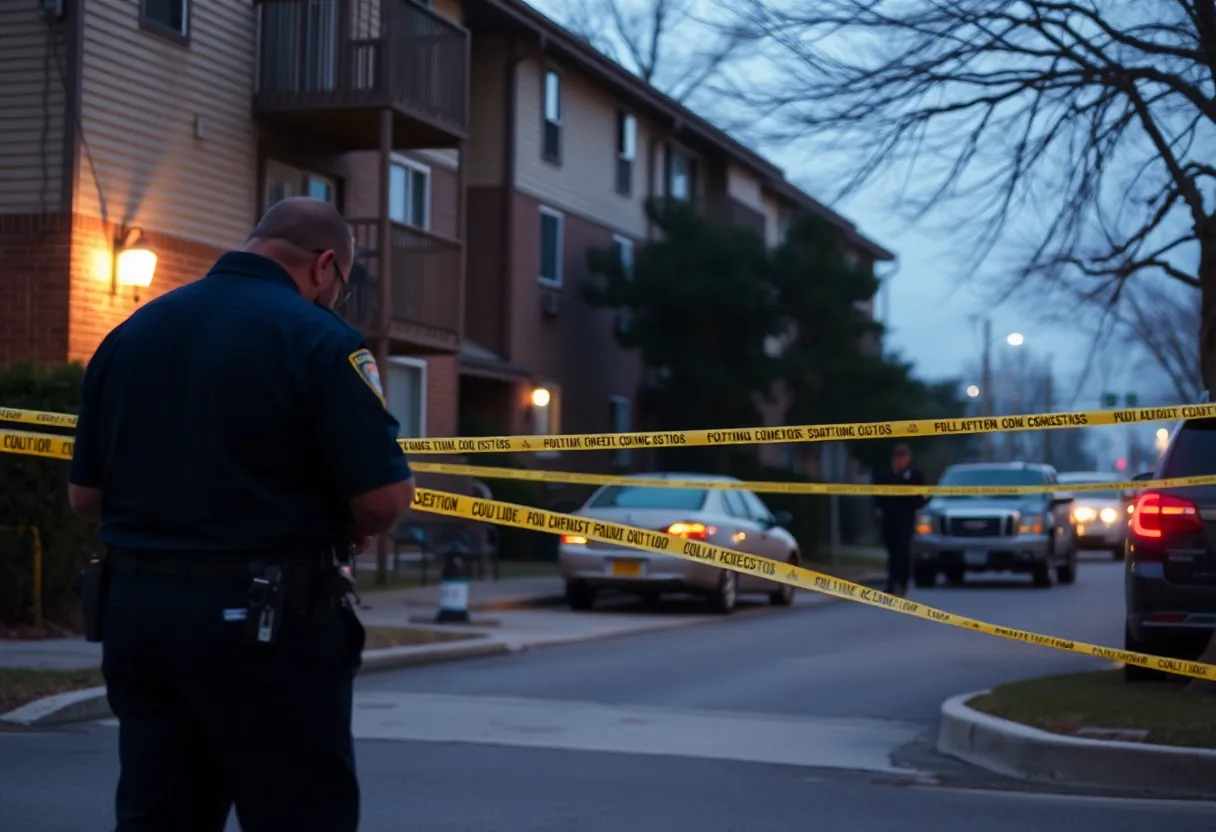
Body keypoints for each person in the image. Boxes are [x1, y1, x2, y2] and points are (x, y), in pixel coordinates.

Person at [66, 197, 416, 832]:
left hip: (138, 615)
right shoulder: (319, 340)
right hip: (267, 620)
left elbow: (86, 497)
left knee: (159, 810)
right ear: (325, 264)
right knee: (297, 809)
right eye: (340, 285)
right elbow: (383, 500)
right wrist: (342, 519)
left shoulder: (130, 334)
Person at [872, 444, 927, 597]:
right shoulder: (886, 475)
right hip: (889, 518)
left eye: (903, 458)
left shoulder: (914, 476)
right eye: (897, 458)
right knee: (891, 550)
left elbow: (921, 497)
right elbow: (877, 493)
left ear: (908, 459)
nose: (900, 461)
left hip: (906, 517)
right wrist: (878, 508)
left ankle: (902, 582)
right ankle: (891, 582)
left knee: (903, 551)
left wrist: (918, 507)